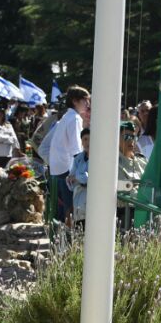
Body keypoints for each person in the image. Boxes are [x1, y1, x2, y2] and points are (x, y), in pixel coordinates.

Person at [48, 87, 90, 222]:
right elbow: (76, 148)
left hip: (58, 168)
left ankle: (63, 239)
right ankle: (69, 241)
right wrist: (80, 170)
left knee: (63, 209)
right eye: (85, 100)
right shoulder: (75, 118)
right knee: (71, 209)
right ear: (75, 101)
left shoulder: (67, 116)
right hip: (67, 169)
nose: (88, 104)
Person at [69, 128, 90, 227]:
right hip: (78, 201)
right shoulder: (77, 158)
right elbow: (71, 180)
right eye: (85, 139)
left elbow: (90, 179)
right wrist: (71, 179)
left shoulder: (98, 157)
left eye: (89, 139)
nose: (87, 142)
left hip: (90, 201)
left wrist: (78, 177)